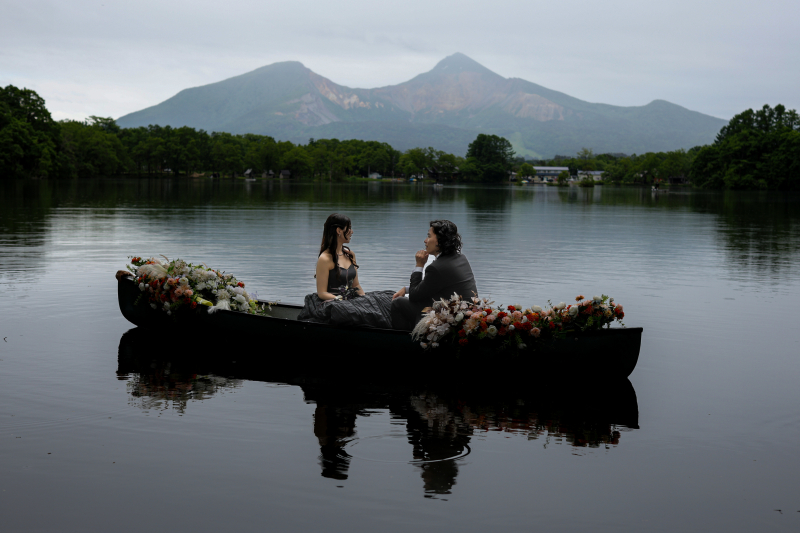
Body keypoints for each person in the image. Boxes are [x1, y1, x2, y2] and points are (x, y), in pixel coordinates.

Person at [297, 214, 394, 328]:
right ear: (339, 230)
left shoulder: (350, 255)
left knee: (388, 298)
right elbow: (322, 293)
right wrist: (342, 300)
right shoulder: (324, 259)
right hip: (334, 303)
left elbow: (356, 285)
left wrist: (366, 299)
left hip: (352, 300)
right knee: (348, 311)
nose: (352, 232)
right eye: (349, 228)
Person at [390, 220, 478, 331]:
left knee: (398, 303)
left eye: (429, 236)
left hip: (452, 319)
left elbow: (414, 296)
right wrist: (406, 289)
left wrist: (419, 265)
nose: (425, 240)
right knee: (419, 302)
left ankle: (403, 340)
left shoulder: (437, 267)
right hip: (466, 314)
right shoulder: (461, 258)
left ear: (440, 240)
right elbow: (431, 287)